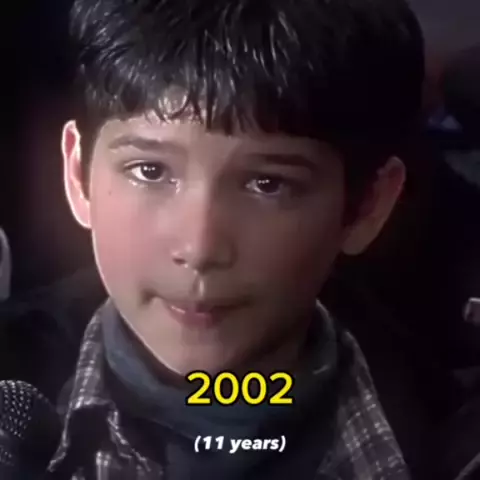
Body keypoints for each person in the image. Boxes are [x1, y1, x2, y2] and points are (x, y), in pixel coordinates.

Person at [46, 0, 424, 478]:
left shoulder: (450, 443)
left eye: (268, 184)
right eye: (150, 171)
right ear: (78, 174)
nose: (199, 248)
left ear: (368, 204)